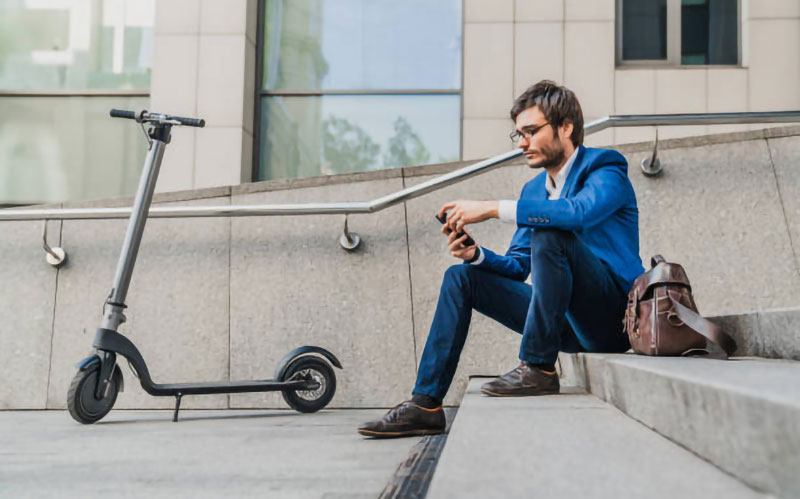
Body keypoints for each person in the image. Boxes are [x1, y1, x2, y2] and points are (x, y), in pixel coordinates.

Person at [358, 80, 644, 438]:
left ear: (566, 127)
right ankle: (425, 404)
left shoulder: (605, 168)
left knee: (551, 228)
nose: (522, 142)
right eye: (518, 134)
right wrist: (476, 255)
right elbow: (518, 265)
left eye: (531, 131)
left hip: (612, 319)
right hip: (563, 322)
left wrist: (492, 208)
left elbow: (579, 214)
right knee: (460, 276)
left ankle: (538, 368)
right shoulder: (534, 190)